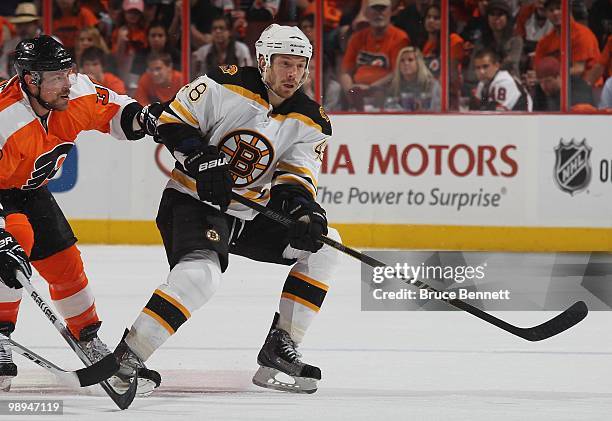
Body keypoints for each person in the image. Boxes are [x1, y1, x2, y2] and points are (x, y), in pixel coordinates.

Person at [112, 24, 341, 395]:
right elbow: (172, 121)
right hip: (192, 201)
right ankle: (127, 358)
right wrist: (201, 157)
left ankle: (280, 346)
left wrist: (304, 213)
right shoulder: (222, 84)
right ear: (264, 60)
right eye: (285, 64)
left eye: (300, 65)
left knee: (325, 244)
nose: (293, 74)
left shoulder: (312, 119)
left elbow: (296, 179)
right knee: (200, 277)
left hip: (248, 216)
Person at [0, 35, 160, 394]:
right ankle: (0, 335)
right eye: (56, 77)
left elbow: (121, 112)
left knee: (66, 264)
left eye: (67, 73)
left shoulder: (74, 96)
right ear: (30, 80)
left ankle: (88, 338)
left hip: (32, 192)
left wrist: (150, 120)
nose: (67, 83)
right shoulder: (3, 117)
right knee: (13, 244)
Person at [387, 46, 441, 111]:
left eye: (410, 60)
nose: (406, 63)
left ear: (418, 63)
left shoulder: (431, 85)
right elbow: (388, 107)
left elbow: (437, 110)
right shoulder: (394, 85)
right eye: (402, 60)